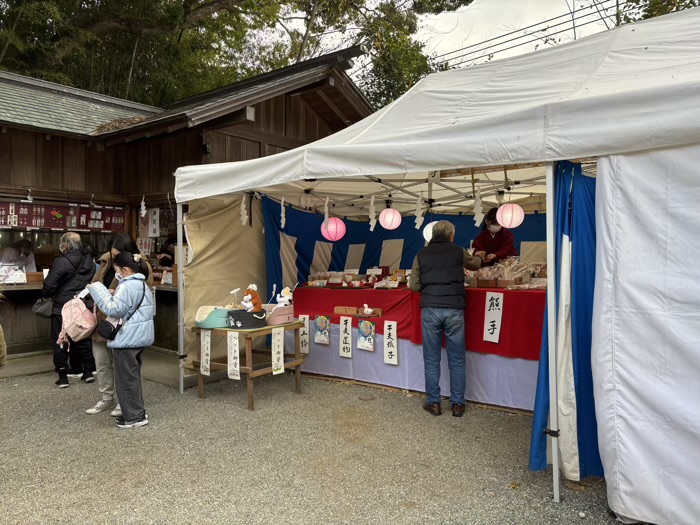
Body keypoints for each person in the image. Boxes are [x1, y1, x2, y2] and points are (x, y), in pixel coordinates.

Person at [409, 220, 482, 417]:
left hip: (430, 309)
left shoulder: (421, 254)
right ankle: (457, 405)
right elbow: (474, 265)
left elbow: (413, 285)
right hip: (454, 309)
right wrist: (479, 257)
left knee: (431, 358)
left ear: (432, 235)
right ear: (451, 235)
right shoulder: (458, 251)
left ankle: (434, 403)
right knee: (456, 359)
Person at [86, 234, 153, 417]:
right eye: (113, 254)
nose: (115, 258)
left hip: (123, 325)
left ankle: (125, 405)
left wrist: (117, 294)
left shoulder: (140, 267)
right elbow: (95, 280)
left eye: (119, 255)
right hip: (103, 321)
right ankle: (107, 398)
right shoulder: (106, 262)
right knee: (101, 362)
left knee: (123, 368)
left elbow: (139, 294)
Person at [42, 232, 96, 387]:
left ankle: (62, 375)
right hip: (81, 305)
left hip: (62, 307)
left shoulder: (61, 262)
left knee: (60, 339)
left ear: (65, 245)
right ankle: (87, 372)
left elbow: (49, 286)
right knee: (82, 336)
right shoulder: (89, 262)